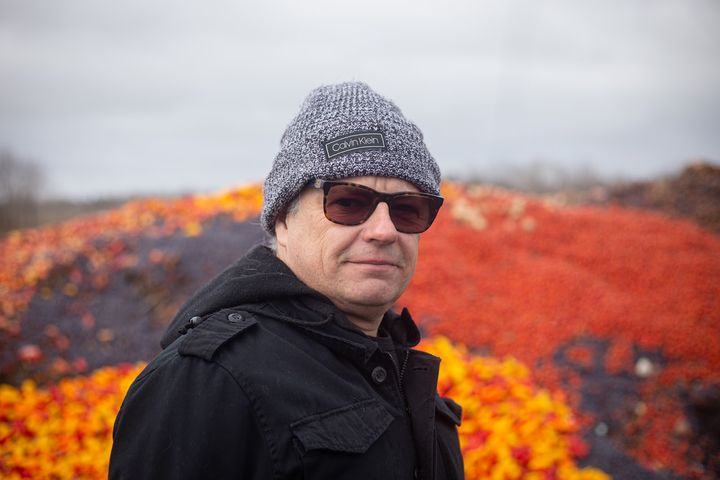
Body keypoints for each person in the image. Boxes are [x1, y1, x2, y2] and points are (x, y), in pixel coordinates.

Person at [109, 81, 464, 479]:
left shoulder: (393, 364)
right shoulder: (206, 383)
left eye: (408, 210)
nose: (383, 231)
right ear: (282, 221)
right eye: (348, 203)